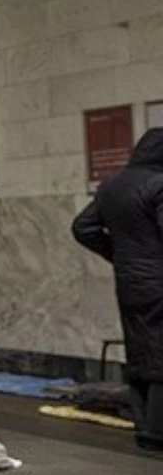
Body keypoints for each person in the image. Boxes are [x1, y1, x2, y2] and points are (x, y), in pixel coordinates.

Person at [73, 128, 163, 455]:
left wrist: (119, 255)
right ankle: (158, 432)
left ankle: (143, 430)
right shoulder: (159, 184)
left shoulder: (113, 185)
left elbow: (82, 227)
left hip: (129, 281)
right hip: (158, 280)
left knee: (139, 351)